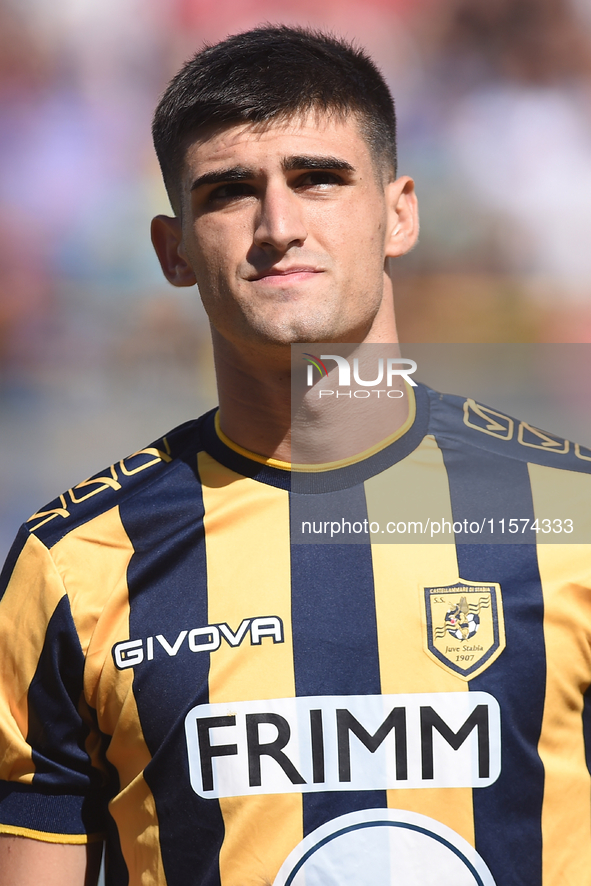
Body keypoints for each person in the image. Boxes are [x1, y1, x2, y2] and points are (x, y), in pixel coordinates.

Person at [0, 25, 590, 886]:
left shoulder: (570, 519)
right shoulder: (75, 564)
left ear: (399, 213)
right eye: (230, 193)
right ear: (172, 251)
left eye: (318, 179)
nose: (278, 226)